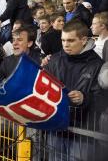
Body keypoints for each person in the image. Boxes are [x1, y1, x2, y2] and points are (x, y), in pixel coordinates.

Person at [0, 27, 43, 160]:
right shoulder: (7, 61)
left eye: (19, 40)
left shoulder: (40, 61)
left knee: (28, 149)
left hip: (31, 118)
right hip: (9, 113)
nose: (14, 43)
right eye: (13, 40)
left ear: (30, 43)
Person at [44, 19, 104, 161]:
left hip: (84, 133)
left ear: (83, 40)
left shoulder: (98, 65)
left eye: (70, 40)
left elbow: (103, 100)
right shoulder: (55, 59)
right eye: (63, 40)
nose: (65, 45)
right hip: (56, 128)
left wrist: (85, 98)